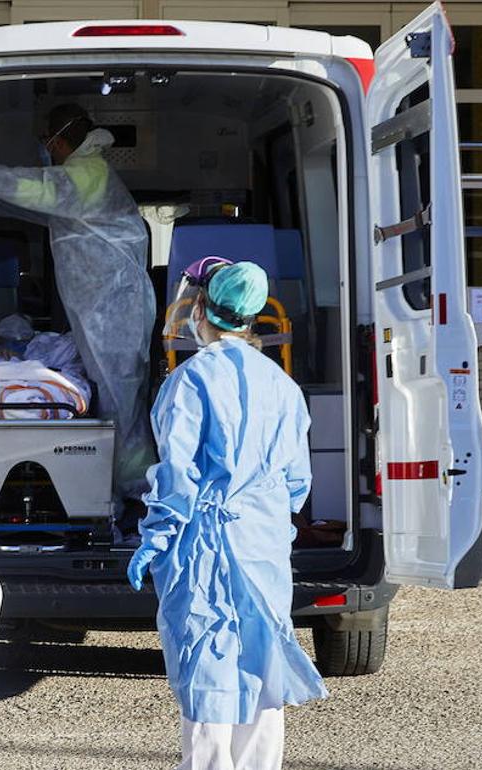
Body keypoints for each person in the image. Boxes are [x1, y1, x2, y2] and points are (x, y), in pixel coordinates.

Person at [127, 261, 328, 770]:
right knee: (262, 669)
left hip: (204, 545)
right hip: (262, 543)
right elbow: (295, 483)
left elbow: (177, 475)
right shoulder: (282, 386)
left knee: (207, 667)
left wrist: (156, 535)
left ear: (198, 309)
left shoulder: (190, 381)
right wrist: (271, 523)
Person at [0, 104, 157, 539]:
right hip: (104, 308)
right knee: (114, 396)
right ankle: (120, 488)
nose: (45, 149)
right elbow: (43, 208)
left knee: (120, 399)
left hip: (114, 309)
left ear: (60, 138)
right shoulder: (85, 180)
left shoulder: (87, 173)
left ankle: (138, 494)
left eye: (47, 140)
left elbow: (42, 191)